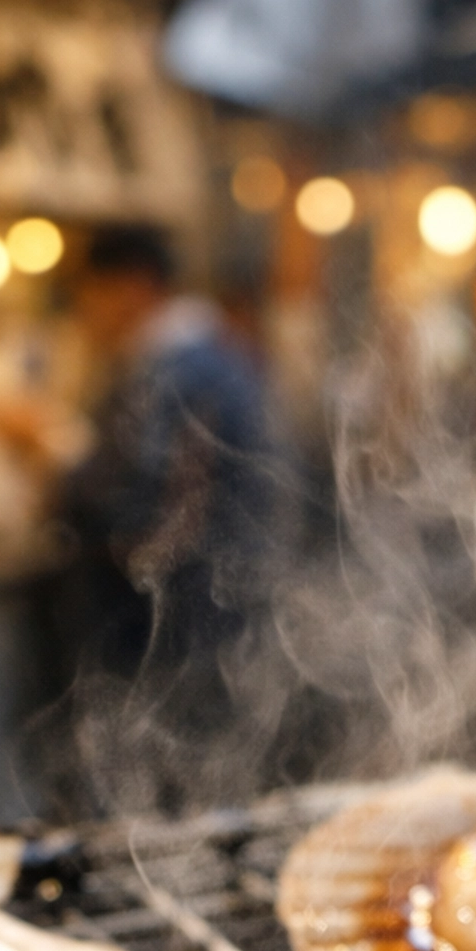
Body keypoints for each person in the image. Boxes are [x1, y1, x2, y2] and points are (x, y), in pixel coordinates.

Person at [53, 221, 281, 690]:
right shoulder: (212, 353)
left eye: (89, 294)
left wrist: (55, 456)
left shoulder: (175, 369)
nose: (84, 313)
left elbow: (129, 500)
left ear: (130, 286)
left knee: (189, 744)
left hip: (187, 617)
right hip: (226, 606)